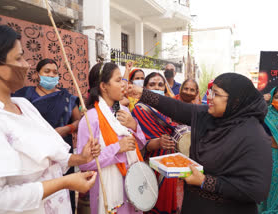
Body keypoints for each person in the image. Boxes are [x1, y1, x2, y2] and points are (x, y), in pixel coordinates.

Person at [0, 23, 100, 214]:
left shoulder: (23, 105)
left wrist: (80, 158)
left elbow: (49, 152)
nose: (27, 64)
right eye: (19, 57)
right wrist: (63, 182)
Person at [129, 73, 272, 214]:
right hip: (194, 205)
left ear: (235, 101)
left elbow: (256, 190)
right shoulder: (208, 116)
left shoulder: (255, 136)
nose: (208, 97)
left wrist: (206, 181)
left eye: (215, 94)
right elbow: (176, 108)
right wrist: (142, 93)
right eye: (210, 91)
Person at [13, 58, 81, 213]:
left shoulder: (67, 98)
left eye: (55, 72)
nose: (51, 75)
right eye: (47, 71)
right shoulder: (24, 95)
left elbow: (79, 121)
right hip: (33, 152)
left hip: (62, 150)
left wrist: (66, 129)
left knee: (64, 188)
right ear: (38, 74)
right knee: (38, 193)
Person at [77, 62, 146, 214]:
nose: (123, 84)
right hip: (108, 194)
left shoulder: (124, 111)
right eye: (118, 80)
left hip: (133, 189)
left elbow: (140, 145)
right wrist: (117, 148)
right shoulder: (90, 120)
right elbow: (84, 164)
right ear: (104, 86)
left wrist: (134, 126)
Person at [132, 72, 183, 214]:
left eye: (160, 85)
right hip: (153, 166)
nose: (157, 87)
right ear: (145, 88)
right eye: (152, 84)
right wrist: (159, 142)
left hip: (171, 163)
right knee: (155, 202)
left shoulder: (168, 108)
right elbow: (141, 144)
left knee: (170, 204)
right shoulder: (140, 109)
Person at [259, 87, 278, 214]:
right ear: (272, 98)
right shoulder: (266, 114)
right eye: (277, 97)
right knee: (271, 186)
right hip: (272, 157)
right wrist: (261, 100)